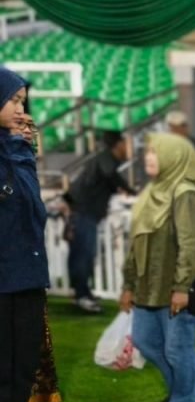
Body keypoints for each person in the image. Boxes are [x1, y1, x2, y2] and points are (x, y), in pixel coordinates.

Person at [119, 133, 195, 402]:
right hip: (149, 287)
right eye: (148, 151)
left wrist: (183, 287)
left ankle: (186, 400)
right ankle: (182, 389)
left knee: (177, 348)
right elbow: (136, 244)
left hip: (177, 287)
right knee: (145, 341)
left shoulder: (184, 192)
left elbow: (193, 243)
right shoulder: (151, 193)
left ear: (174, 156)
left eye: (155, 152)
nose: (148, 157)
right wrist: (129, 285)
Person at [0, 66, 58, 402]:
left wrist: (22, 149)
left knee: (22, 372)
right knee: (4, 373)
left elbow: (33, 209)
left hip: (26, 275)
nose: (21, 109)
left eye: (23, 101)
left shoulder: (15, 148)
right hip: (4, 278)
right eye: (12, 100)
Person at [64, 129, 135, 313]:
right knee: (83, 255)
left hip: (82, 211)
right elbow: (111, 175)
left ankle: (82, 293)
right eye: (125, 144)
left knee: (83, 255)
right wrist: (130, 190)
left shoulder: (102, 159)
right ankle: (81, 296)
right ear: (118, 145)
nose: (128, 147)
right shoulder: (105, 158)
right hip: (83, 211)